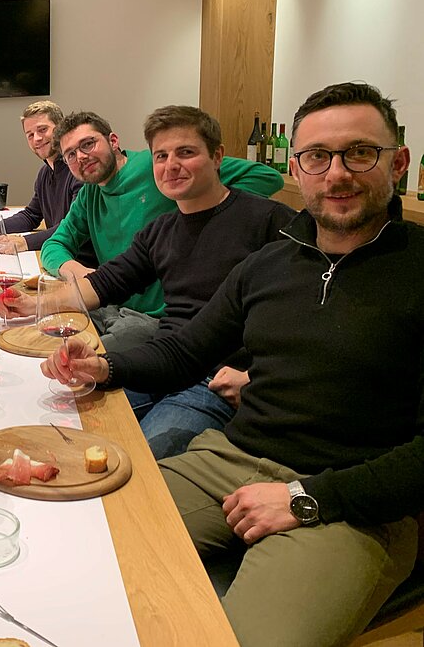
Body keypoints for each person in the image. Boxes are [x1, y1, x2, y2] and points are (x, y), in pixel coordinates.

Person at [41, 82, 420, 647]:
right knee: (66, 544)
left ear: (399, 161)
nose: (336, 173)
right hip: (232, 459)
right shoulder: (270, 264)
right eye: (317, 157)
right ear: (298, 164)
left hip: (355, 501)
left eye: (359, 153)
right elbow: (185, 350)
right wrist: (106, 369)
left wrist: (308, 498)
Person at [4, 105, 295, 458]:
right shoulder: (162, 231)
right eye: (161, 156)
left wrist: (256, 379)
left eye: (185, 153)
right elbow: (105, 284)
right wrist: (32, 305)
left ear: (217, 156)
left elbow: (307, 320)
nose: (171, 165)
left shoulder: (267, 221)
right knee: (62, 422)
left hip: (212, 381)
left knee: (139, 461)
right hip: (166, 362)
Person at [40, 110, 284, 351]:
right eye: (70, 154)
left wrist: (200, 217)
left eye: (88, 144)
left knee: (76, 366)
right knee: (42, 337)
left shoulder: (158, 167)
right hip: (110, 303)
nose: (81, 157)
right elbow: (54, 244)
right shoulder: (89, 193)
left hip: (157, 319)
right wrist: (79, 272)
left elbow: (266, 177)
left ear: (113, 141)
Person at [0, 101, 87, 258]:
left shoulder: (78, 170)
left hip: (80, 261)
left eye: (43, 130)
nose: (37, 139)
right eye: (30, 135)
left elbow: (73, 227)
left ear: (61, 128)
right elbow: (31, 216)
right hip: (59, 253)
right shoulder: (44, 173)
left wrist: (24, 242)